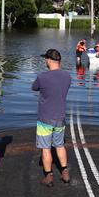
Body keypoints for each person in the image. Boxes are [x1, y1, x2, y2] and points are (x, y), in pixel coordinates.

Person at [32, 49, 72, 187]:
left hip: (45, 119)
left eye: (45, 59)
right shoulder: (67, 76)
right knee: (60, 145)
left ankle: (48, 176)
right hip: (60, 117)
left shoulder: (43, 77)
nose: (45, 61)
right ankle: (65, 172)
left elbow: (34, 87)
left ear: (49, 60)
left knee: (46, 148)